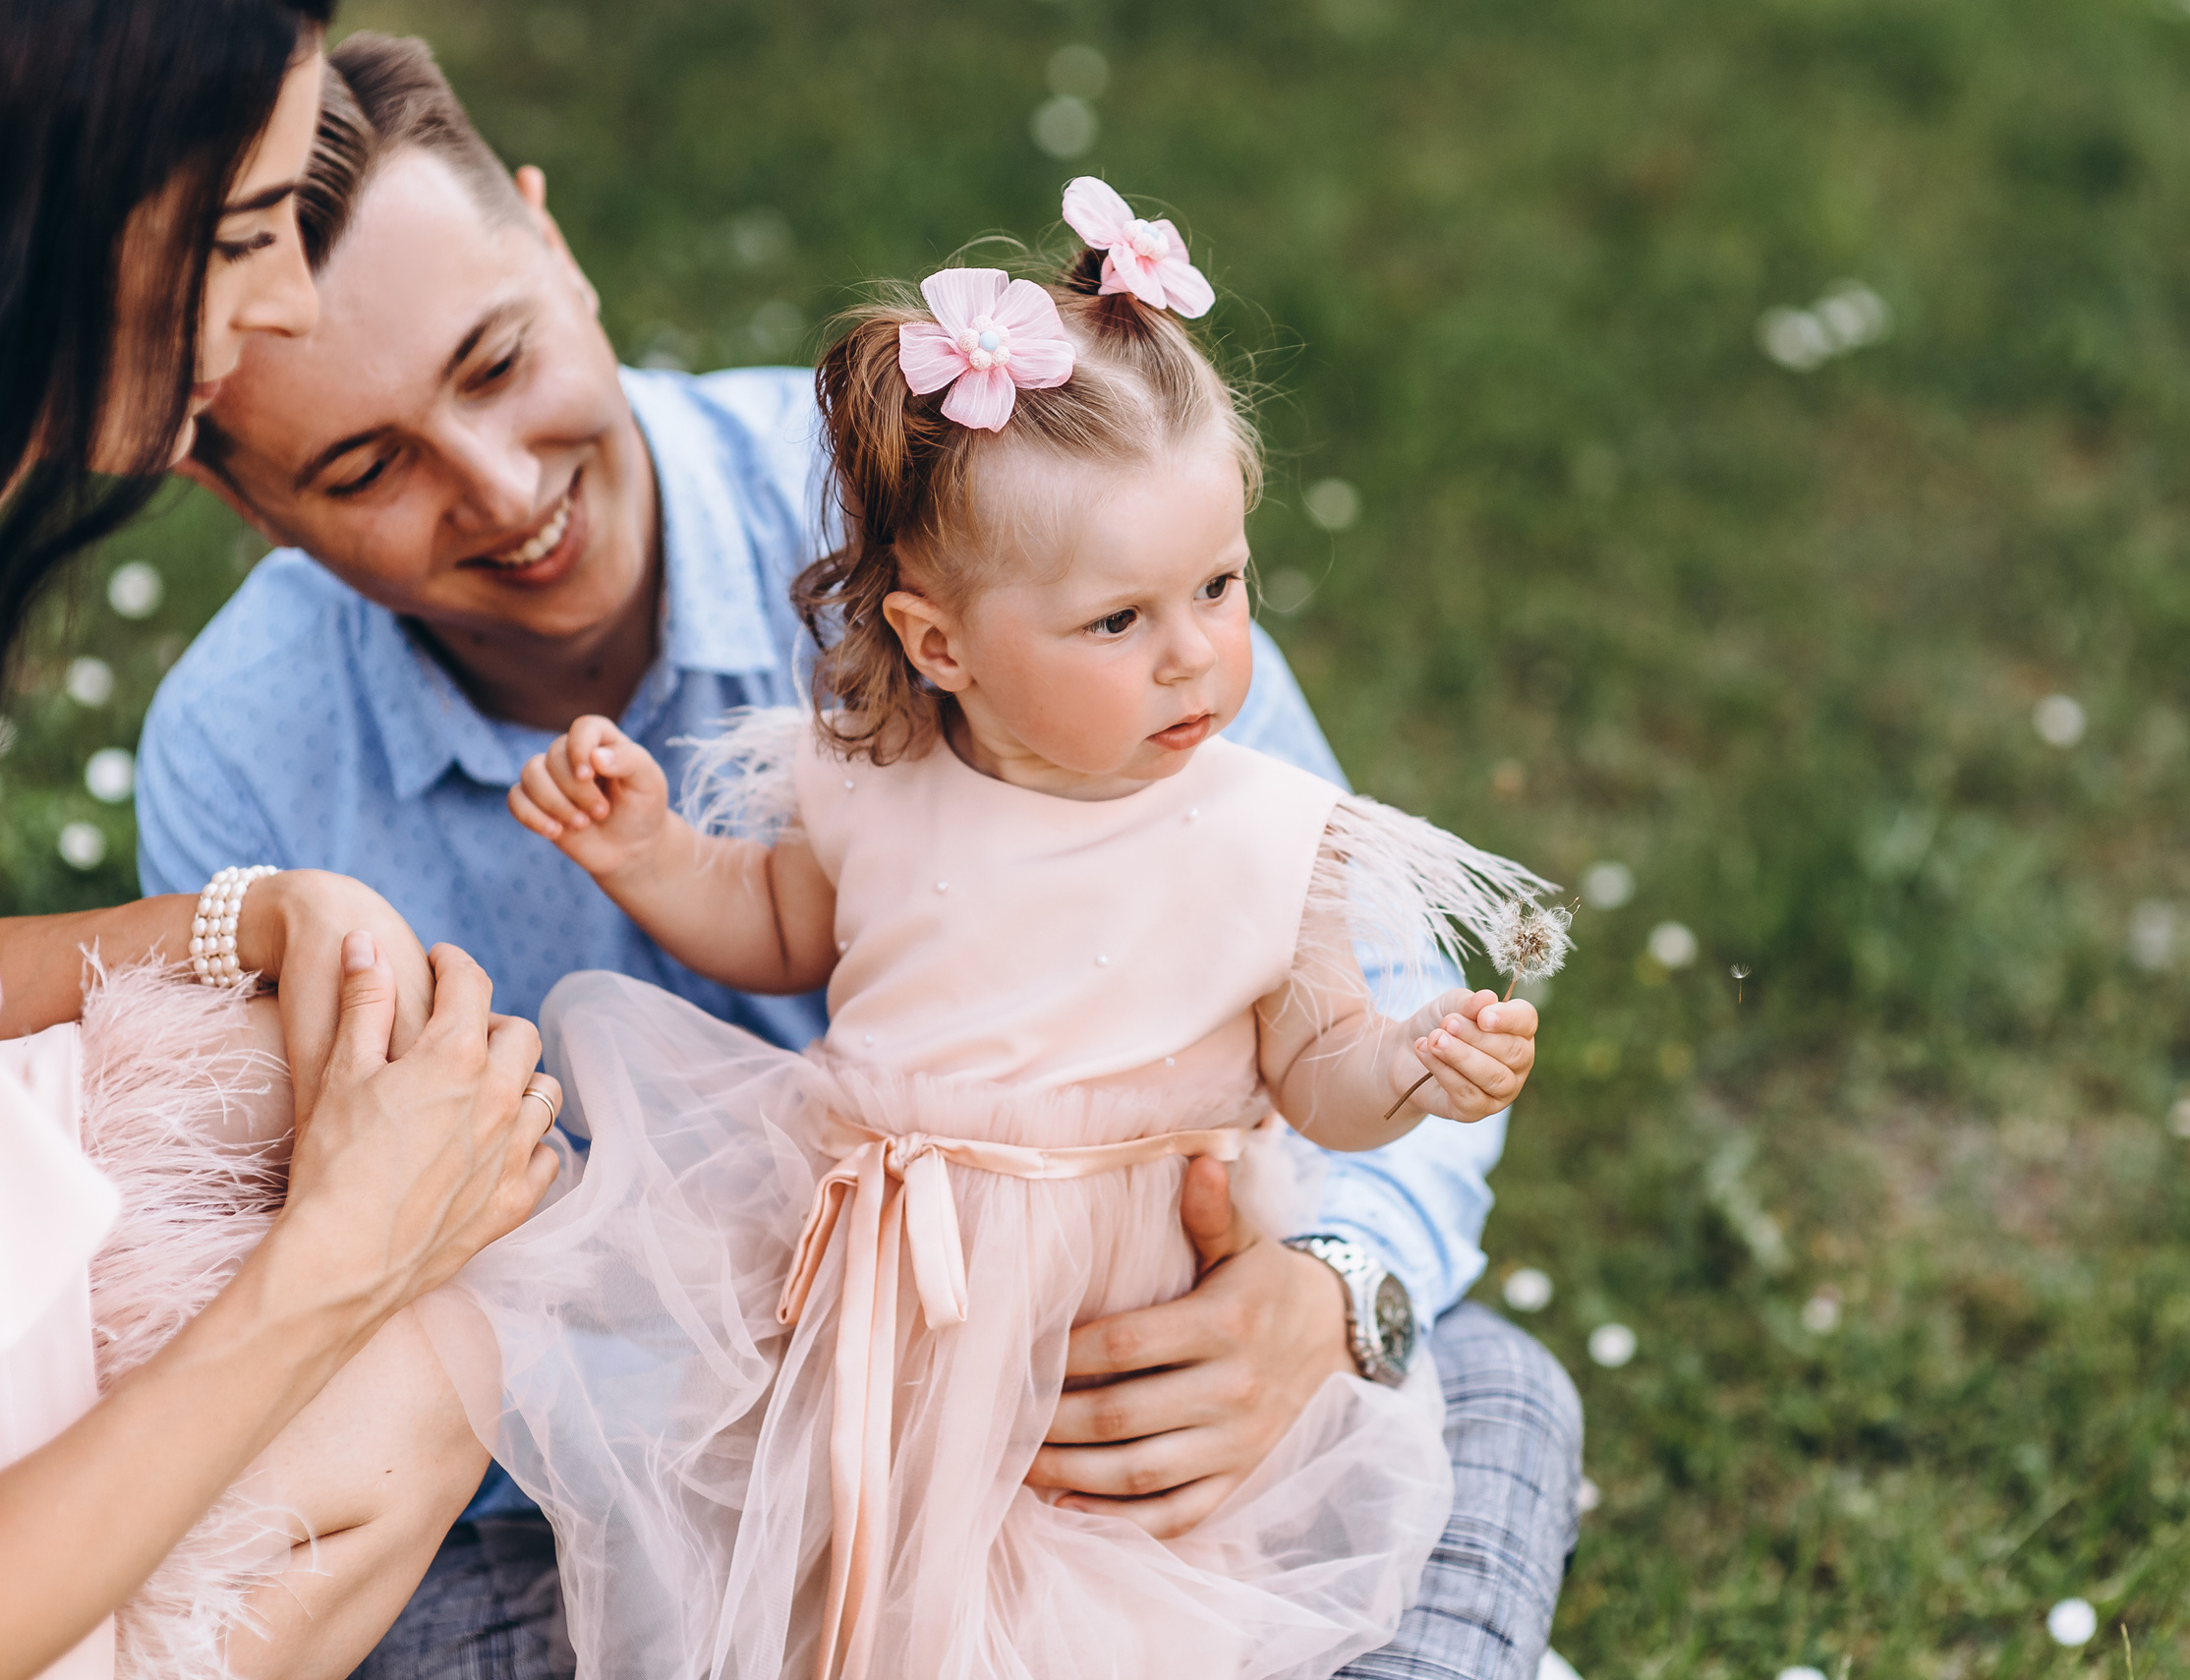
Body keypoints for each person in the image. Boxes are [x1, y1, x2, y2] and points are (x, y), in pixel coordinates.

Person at [143, 34, 1584, 1680]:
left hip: (1102, 1368)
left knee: (1483, 1389)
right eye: (363, 464)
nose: (501, 488)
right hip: (618, 1474)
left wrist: (1325, 1296)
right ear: (235, 491)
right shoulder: (239, 751)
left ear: (555, 244)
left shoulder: (1000, 491)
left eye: (495, 363)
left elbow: (1350, 1005)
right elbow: (290, 1290)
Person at [469, 197, 1551, 1679]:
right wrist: (652, 852)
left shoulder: (1264, 828)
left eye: (1221, 588)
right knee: (859, 1604)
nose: (1196, 652)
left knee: (1097, 1612)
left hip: (1114, 1327)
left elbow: (1317, 1063)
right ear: (940, 644)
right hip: (888, 1315)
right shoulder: (862, 780)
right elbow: (783, 923)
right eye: (1118, 621)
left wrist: (1413, 1065)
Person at [0, 5, 561, 1679]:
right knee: (418, 1301)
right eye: (246, 234)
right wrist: (340, 1254)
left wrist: (234, 916)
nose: (285, 306)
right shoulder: (248, 715)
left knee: (322, 1121)